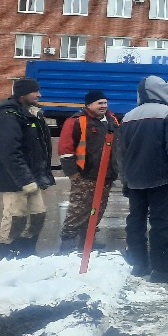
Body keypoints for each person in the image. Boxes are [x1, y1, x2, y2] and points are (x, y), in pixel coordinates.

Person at [116, 76, 168, 283]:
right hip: (159, 177)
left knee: (135, 221)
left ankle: (139, 266)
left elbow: (121, 154)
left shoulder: (127, 117)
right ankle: (161, 271)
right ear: (161, 92)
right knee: (160, 223)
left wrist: (125, 180)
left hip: (134, 179)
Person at [0, 77, 54, 259]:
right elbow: (9, 152)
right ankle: (7, 255)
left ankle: (26, 253)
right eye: (35, 91)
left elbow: (38, 149)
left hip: (31, 179)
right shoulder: (8, 117)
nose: (39, 95)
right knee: (15, 219)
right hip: (14, 181)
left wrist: (40, 177)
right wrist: (25, 179)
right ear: (22, 94)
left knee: (38, 215)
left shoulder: (30, 115)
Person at [57, 90, 119, 253]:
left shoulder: (111, 120)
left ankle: (87, 241)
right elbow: (65, 149)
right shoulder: (76, 121)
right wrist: (73, 174)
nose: (104, 106)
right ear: (89, 105)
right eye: (100, 103)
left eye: (105, 102)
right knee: (78, 210)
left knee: (97, 210)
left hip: (106, 176)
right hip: (85, 176)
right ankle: (67, 244)